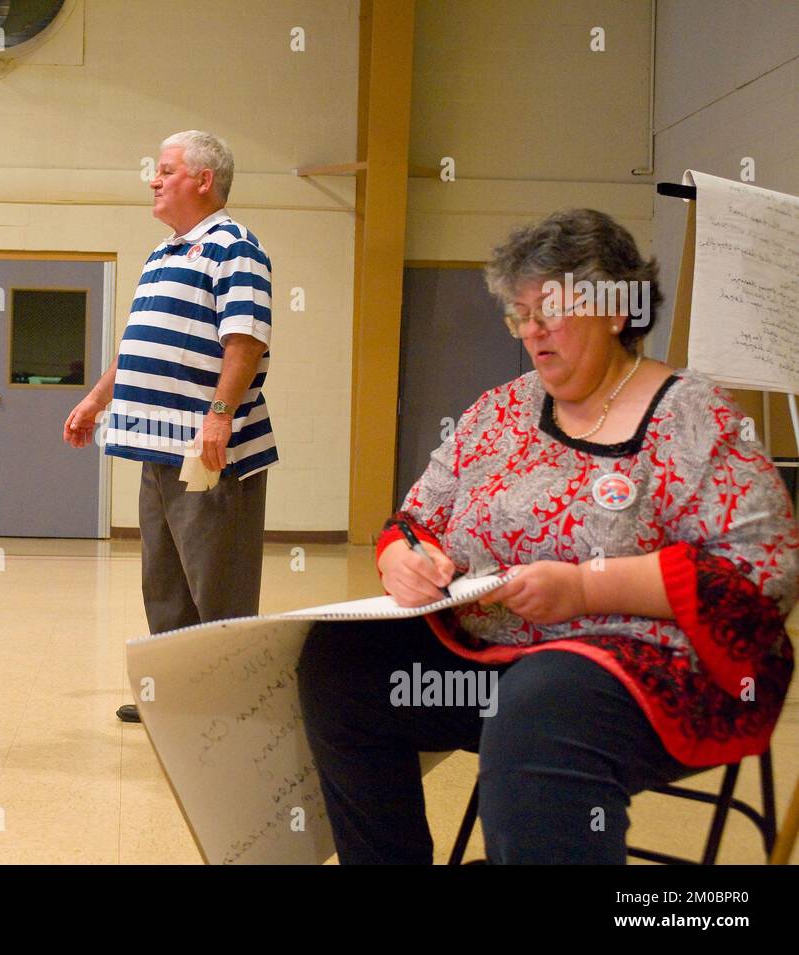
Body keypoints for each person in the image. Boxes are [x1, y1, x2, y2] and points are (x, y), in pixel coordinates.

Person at [298, 208, 798, 863]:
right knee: (344, 663)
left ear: (617, 310)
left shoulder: (693, 417)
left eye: (551, 310)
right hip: (499, 666)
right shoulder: (501, 408)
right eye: (519, 313)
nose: (531, 331)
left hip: (653, 674)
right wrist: (401, 559)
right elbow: (413, 519)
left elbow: (765, 576)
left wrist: (587, 586)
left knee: (541, 708)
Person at [63, 130, 277, 723]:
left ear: (203, 181)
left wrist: (218, 416)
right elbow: (136, 345)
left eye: (165, 170)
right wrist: (98, 400)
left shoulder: (235, 248)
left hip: (208, 453)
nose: (153, 180)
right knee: (166, 584)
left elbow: (245, 340)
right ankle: (176, 695)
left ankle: (235, 702)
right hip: (156, 449)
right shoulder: (163, 254)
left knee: (219, 585)